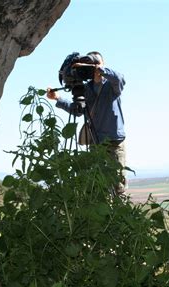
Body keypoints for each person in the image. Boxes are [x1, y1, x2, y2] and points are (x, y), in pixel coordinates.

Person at [47, 51, 127, 194]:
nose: (94, 67)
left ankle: (118, 213)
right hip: (96, 143)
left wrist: (100, 70)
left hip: (114, 143)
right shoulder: (87, 89)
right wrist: (58, 98)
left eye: (97, 64)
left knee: (117, 187)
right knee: (97, 188)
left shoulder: (111, 85)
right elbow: (78, 110)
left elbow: (120, 79)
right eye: (91, 65)